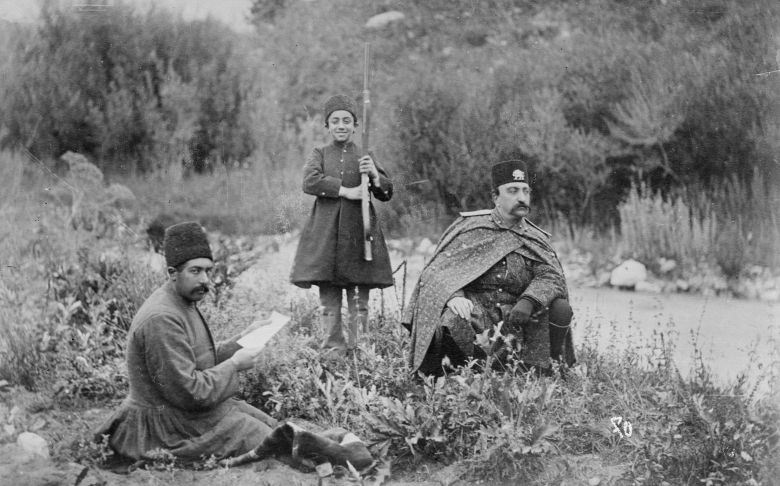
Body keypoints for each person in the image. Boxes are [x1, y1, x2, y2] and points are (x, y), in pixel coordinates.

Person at [95, 221, 277, 462]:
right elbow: (190, 393)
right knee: (262, 437)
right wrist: (234, 364)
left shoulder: (180, 301)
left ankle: (334, 446)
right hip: (162, 427)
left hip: (180, 413)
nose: (205, 280)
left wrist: (243, 340)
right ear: (172, 273)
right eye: (195, 271)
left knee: (271, 426)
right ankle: (332, 453)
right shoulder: (162, 318)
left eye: (208, 271)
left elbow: (197, 359)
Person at [402, 160, 576, 377]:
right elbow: (437, 270)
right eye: (512, 191)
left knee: (560, 308)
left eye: (525, 191)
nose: (521, 198)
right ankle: (454, 373)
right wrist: (453, 295)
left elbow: (551, 276)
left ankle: (540, 371)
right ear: (495, 197)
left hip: (518, 319)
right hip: (477, 315)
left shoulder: (535, 238)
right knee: (451, 318)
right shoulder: (471, 228)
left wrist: (529, 301)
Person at [290, 94, 394, 355]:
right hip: (326, 237)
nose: (341, 125)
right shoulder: (320, 154)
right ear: (327, 126)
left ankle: (362, 355)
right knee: (329, 302)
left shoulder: (365, 154)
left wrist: (373, 175)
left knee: (359, 303)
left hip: (359, 236)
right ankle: (333, 354)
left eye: (347, 120)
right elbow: (309, 182)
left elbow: (386, 191)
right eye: (335, 121)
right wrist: (346, 191)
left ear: (355, 125)